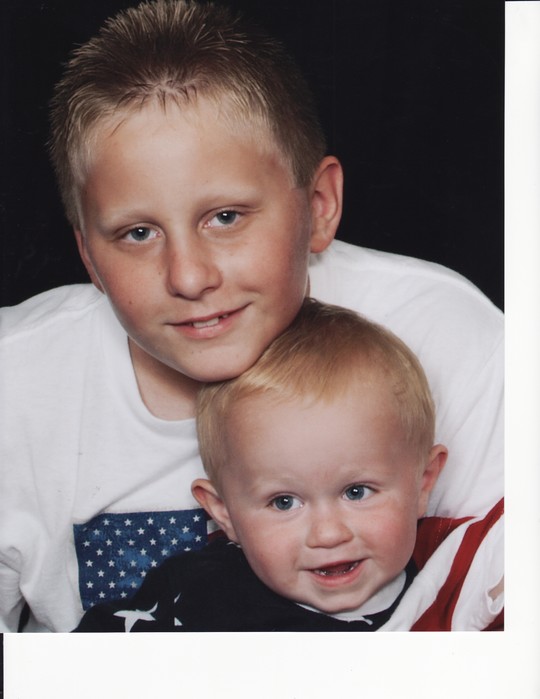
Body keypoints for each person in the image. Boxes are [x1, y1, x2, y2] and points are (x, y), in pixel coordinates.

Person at [0, 0, 503, 632]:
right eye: (137, 233)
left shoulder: (449, 336)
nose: (189, 277)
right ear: (88, 257)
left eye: (226, 217)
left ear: (319, 205)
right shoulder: (16, 382)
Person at [74, 299, 503, 632]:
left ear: (423, 482)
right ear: (223, 512)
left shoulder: (451, 577)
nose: (328, 534)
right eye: (283, 502)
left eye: (357, 492)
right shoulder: (193, 593)